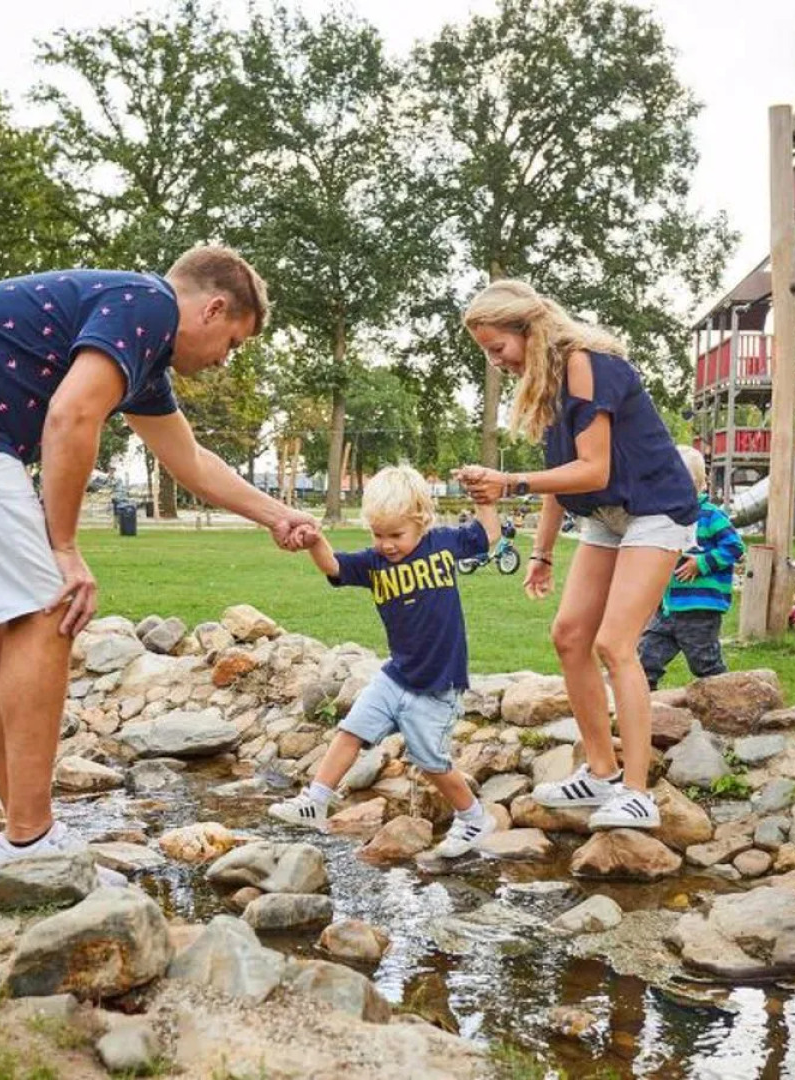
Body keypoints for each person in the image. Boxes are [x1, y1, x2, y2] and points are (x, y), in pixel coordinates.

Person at [0, 246, 317, 874]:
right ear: (213, 307)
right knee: (49, 608)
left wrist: (278, 515)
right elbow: (71, 414)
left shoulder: (141, 359)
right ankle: (30, 842)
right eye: (233, 341)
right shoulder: (147, 305)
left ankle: (22, 827)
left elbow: (190, 461)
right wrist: (63, 547)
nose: (225, 359)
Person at [456, 280, 699, 830]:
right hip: (605, 516)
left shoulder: (587, 364)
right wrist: (541, 554)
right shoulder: (547, 384)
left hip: (654, 507)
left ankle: (637, 794)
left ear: (529, 330)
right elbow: (563, 478)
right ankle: (599, 771)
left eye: (499, 349)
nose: (498, 363)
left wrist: (508, 482)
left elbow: (594, 469)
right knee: (569, 636)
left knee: (616, 643)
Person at [269, 465, 501, 858]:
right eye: (378, 535)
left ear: (421, 522)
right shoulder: (374, 563)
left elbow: (487, 536)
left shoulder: (442, 544)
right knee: (351, 728)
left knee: (432, 762)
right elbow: (335, 567)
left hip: (438, 684)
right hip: (395, 675)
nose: (387, 544)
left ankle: (473, 817)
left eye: (396, 535)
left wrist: (485, 501)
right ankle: (316, 799)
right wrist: (315, 542)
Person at [640, 446, 744, 690]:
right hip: (666, 608)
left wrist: (702, 563)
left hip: (699, 610)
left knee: (705, 664)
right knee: (646, 658)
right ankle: (643, 703)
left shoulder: (710, 516)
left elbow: (734, 547)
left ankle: (727, 699)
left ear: (701, 485)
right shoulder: (665, 518)